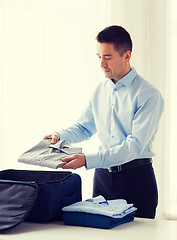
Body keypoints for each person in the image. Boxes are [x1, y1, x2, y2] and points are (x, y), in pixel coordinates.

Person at [44, 25, 164, 219]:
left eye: (107, 57)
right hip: (102, 178)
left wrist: (87, 160)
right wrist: (60, 136)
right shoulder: (100, 90)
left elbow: (134, 146)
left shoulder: (149, 95)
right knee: (100, 233)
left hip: (135, 179)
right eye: (99, 57)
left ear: (126, 56)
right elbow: (84, 127)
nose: (101, 64)